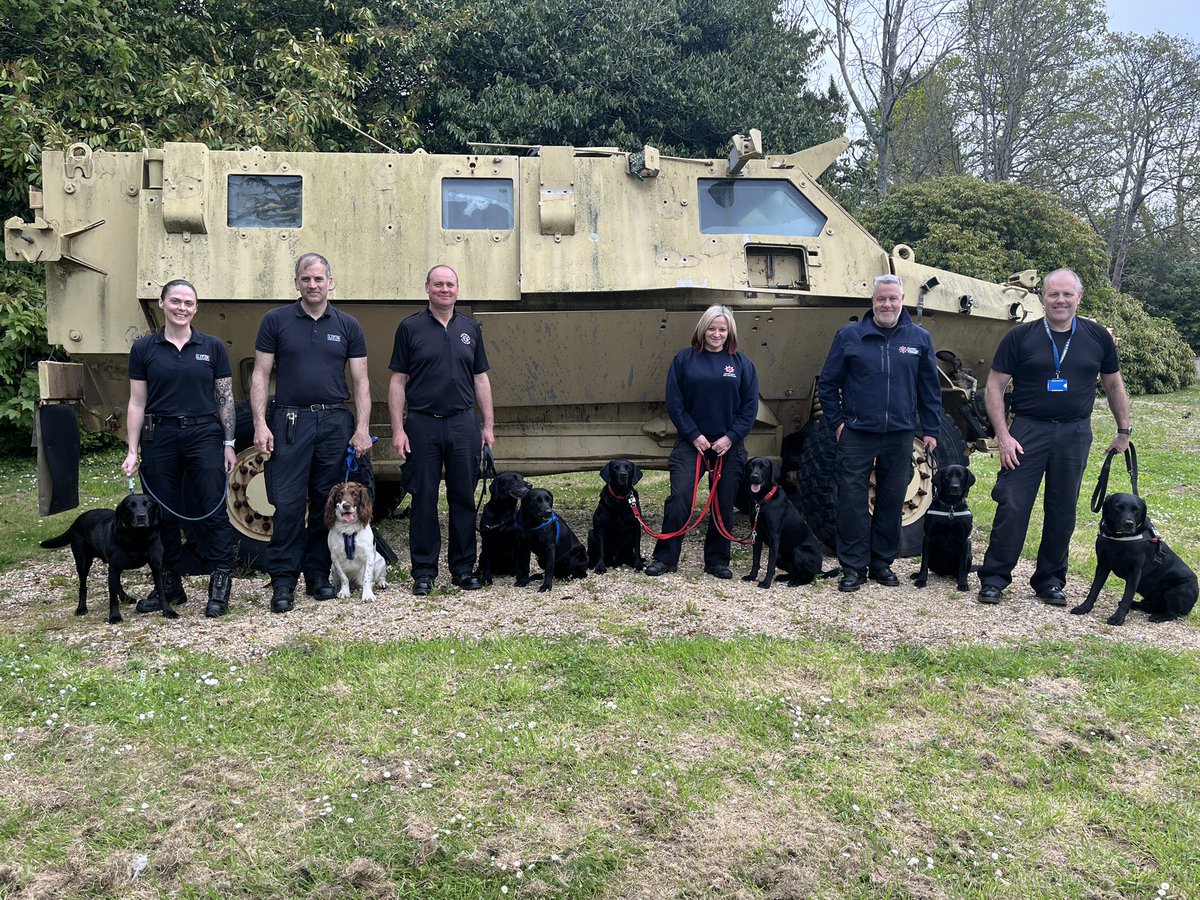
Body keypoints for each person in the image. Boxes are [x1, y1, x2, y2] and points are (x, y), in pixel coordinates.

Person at [977, 268, 1130, 606]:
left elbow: (1114, 384)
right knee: (1013, 505)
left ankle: (1049, 580)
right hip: (1028, 430)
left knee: (1062, 509)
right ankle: (994, 578)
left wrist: (1123, 430)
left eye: (1067, 294)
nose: (1060, 300)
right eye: (1053, 294)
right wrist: (1003, 436)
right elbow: (994, 386)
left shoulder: (1097, 337)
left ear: (1079, 297)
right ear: (1042, 297)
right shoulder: (1021, 337)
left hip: (1075, 432)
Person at [251, 253, 373, 613]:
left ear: (330, 282)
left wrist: (362, 428)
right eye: (306, 279)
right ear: (297, 283)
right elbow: (260, 374)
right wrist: (260, 422)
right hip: (290, 421)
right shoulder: (276, 321)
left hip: (335, 421)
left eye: (319, 279)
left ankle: (319, 576)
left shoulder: (349, 325)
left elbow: (362, 380)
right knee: (287, 505)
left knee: (329, 505)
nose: (313, 285)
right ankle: (284, 582)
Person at [121, 279, 238, 618]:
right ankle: (169, 587)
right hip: (159, 436)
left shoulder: (212, 347)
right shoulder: (144, 349)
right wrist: (132, 450)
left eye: (188, 302)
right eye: (175, 301)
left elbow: (225, 398)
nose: (182, 308)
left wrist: (229, 443)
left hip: (203, 433)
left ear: (196, 308)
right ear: (162, 303)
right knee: (161, 515)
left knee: (214, 513)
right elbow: (136, 402)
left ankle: (220, 587)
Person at [817, 274, 941, 593]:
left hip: (900, 433)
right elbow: (828, 384)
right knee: (852, 501)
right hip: (857, 433)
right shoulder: (849, 336)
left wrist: (930, 429)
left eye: (893, 298)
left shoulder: (919, 338)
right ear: (872, 302)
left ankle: (882, 563)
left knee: (890, 499)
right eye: (880, 299)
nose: (887, 304)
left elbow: (929, 389)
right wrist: (838, 423)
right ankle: (854, 567)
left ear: (902, 300)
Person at [388, 265, 494, 595]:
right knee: (423, 499)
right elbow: (397, 381)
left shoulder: (470, 329)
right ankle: (424, 571)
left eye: (449, 284)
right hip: (422, 424)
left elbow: (481, 379)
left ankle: (463, 569)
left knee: (463, 497)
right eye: (438, 284)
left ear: (457, 290)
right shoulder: (410, 328)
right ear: (427, 288)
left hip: (463, 424)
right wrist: (397, 429)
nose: (444, 289)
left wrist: (488, 425)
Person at [645, 305, 758, 579]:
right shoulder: (684, 360)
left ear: (729, 332)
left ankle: (717, 561)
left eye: (722, 329)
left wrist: (730, 438)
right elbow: (675, 402)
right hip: (691, 442)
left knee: (723, 502)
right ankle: (665, 558)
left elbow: (750, 407)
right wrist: (694, 435)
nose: (716, 334)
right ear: (702, 329)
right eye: (712, 328)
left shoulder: (742, 364)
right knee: (680, 499)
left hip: (727, 446)